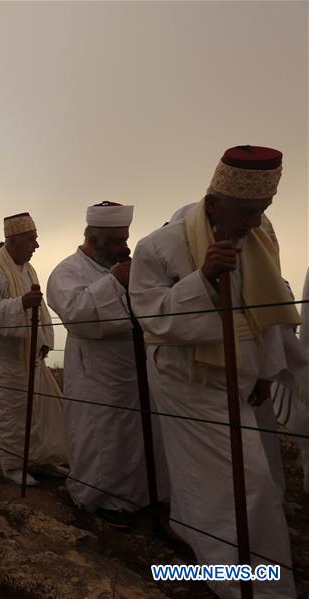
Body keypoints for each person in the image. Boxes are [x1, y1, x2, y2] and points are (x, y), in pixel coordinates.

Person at [130, 145, 296, 598]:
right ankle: (253, 586)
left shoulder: (261, 236)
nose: (255, 222)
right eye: (246, 211)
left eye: (262, 210)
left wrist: (265, 370)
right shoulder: (158, 247)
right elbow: (153, 318)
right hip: (188, 382)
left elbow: (265, 312)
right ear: (216, 201)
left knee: (212, 482)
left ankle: (204, 552)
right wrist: (201, 279)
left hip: (239, 382)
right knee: (247, 483)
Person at [47, 202, 169, 528]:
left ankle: (142, 497)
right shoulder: (66, 271)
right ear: (94, 237)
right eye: (115, 241)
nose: (123, 247)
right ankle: (100, 499)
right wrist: (114, 281)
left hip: (135, 368)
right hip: (95, 373)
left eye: (125, 239)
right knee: (103, 436)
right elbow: (76, 314)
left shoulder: (125, 264)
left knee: (141, 436)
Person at [0, 213, 67, 486]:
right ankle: (12, 465)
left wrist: (45, 338)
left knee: (41, 408)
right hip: (6, 357)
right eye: (31, 239)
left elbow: (41, 307)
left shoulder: (28, 267)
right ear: (13, 240)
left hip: (31, 354)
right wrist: (20, 304)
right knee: (11, 410)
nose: (36, 245)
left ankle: (41, 459)